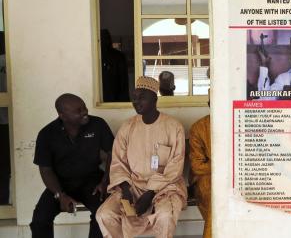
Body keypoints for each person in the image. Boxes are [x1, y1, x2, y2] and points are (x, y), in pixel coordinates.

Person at [96, 76, 187, 238]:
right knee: (104, 214)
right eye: (134, 98)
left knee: (165, 216)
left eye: (142, 97)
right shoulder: (127, 127)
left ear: (154, 98)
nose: (136, 102)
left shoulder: (173, 127)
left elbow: (175, 168)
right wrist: (125, 189)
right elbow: (118, 162)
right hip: (132, 185)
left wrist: (150, 193)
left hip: (165, 188)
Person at [30, 94, 114, 238]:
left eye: (84, 107)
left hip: (92, 181)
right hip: (60, 183)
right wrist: (60, 195)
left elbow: (113, 153)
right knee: (39, 220)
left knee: (104, 215)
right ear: (62, 115)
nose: (85, 112)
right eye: (78, 110)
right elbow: (45, 169)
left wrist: (105, 181)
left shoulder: (97, 124)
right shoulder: (47, 134)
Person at [189, 91, 211, 238]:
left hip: (238, 177)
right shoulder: (199, 127)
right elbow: (197, 166)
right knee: (217, 202)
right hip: (207, 179)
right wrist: (224, 165)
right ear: (210, 104)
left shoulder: (239, 121)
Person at [101, 29, 130, 102]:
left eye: (106, 38)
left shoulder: (119, 56)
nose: (104, 41)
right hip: (105, 94)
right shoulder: (97, 55)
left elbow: (123, 80)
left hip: (116, 93)